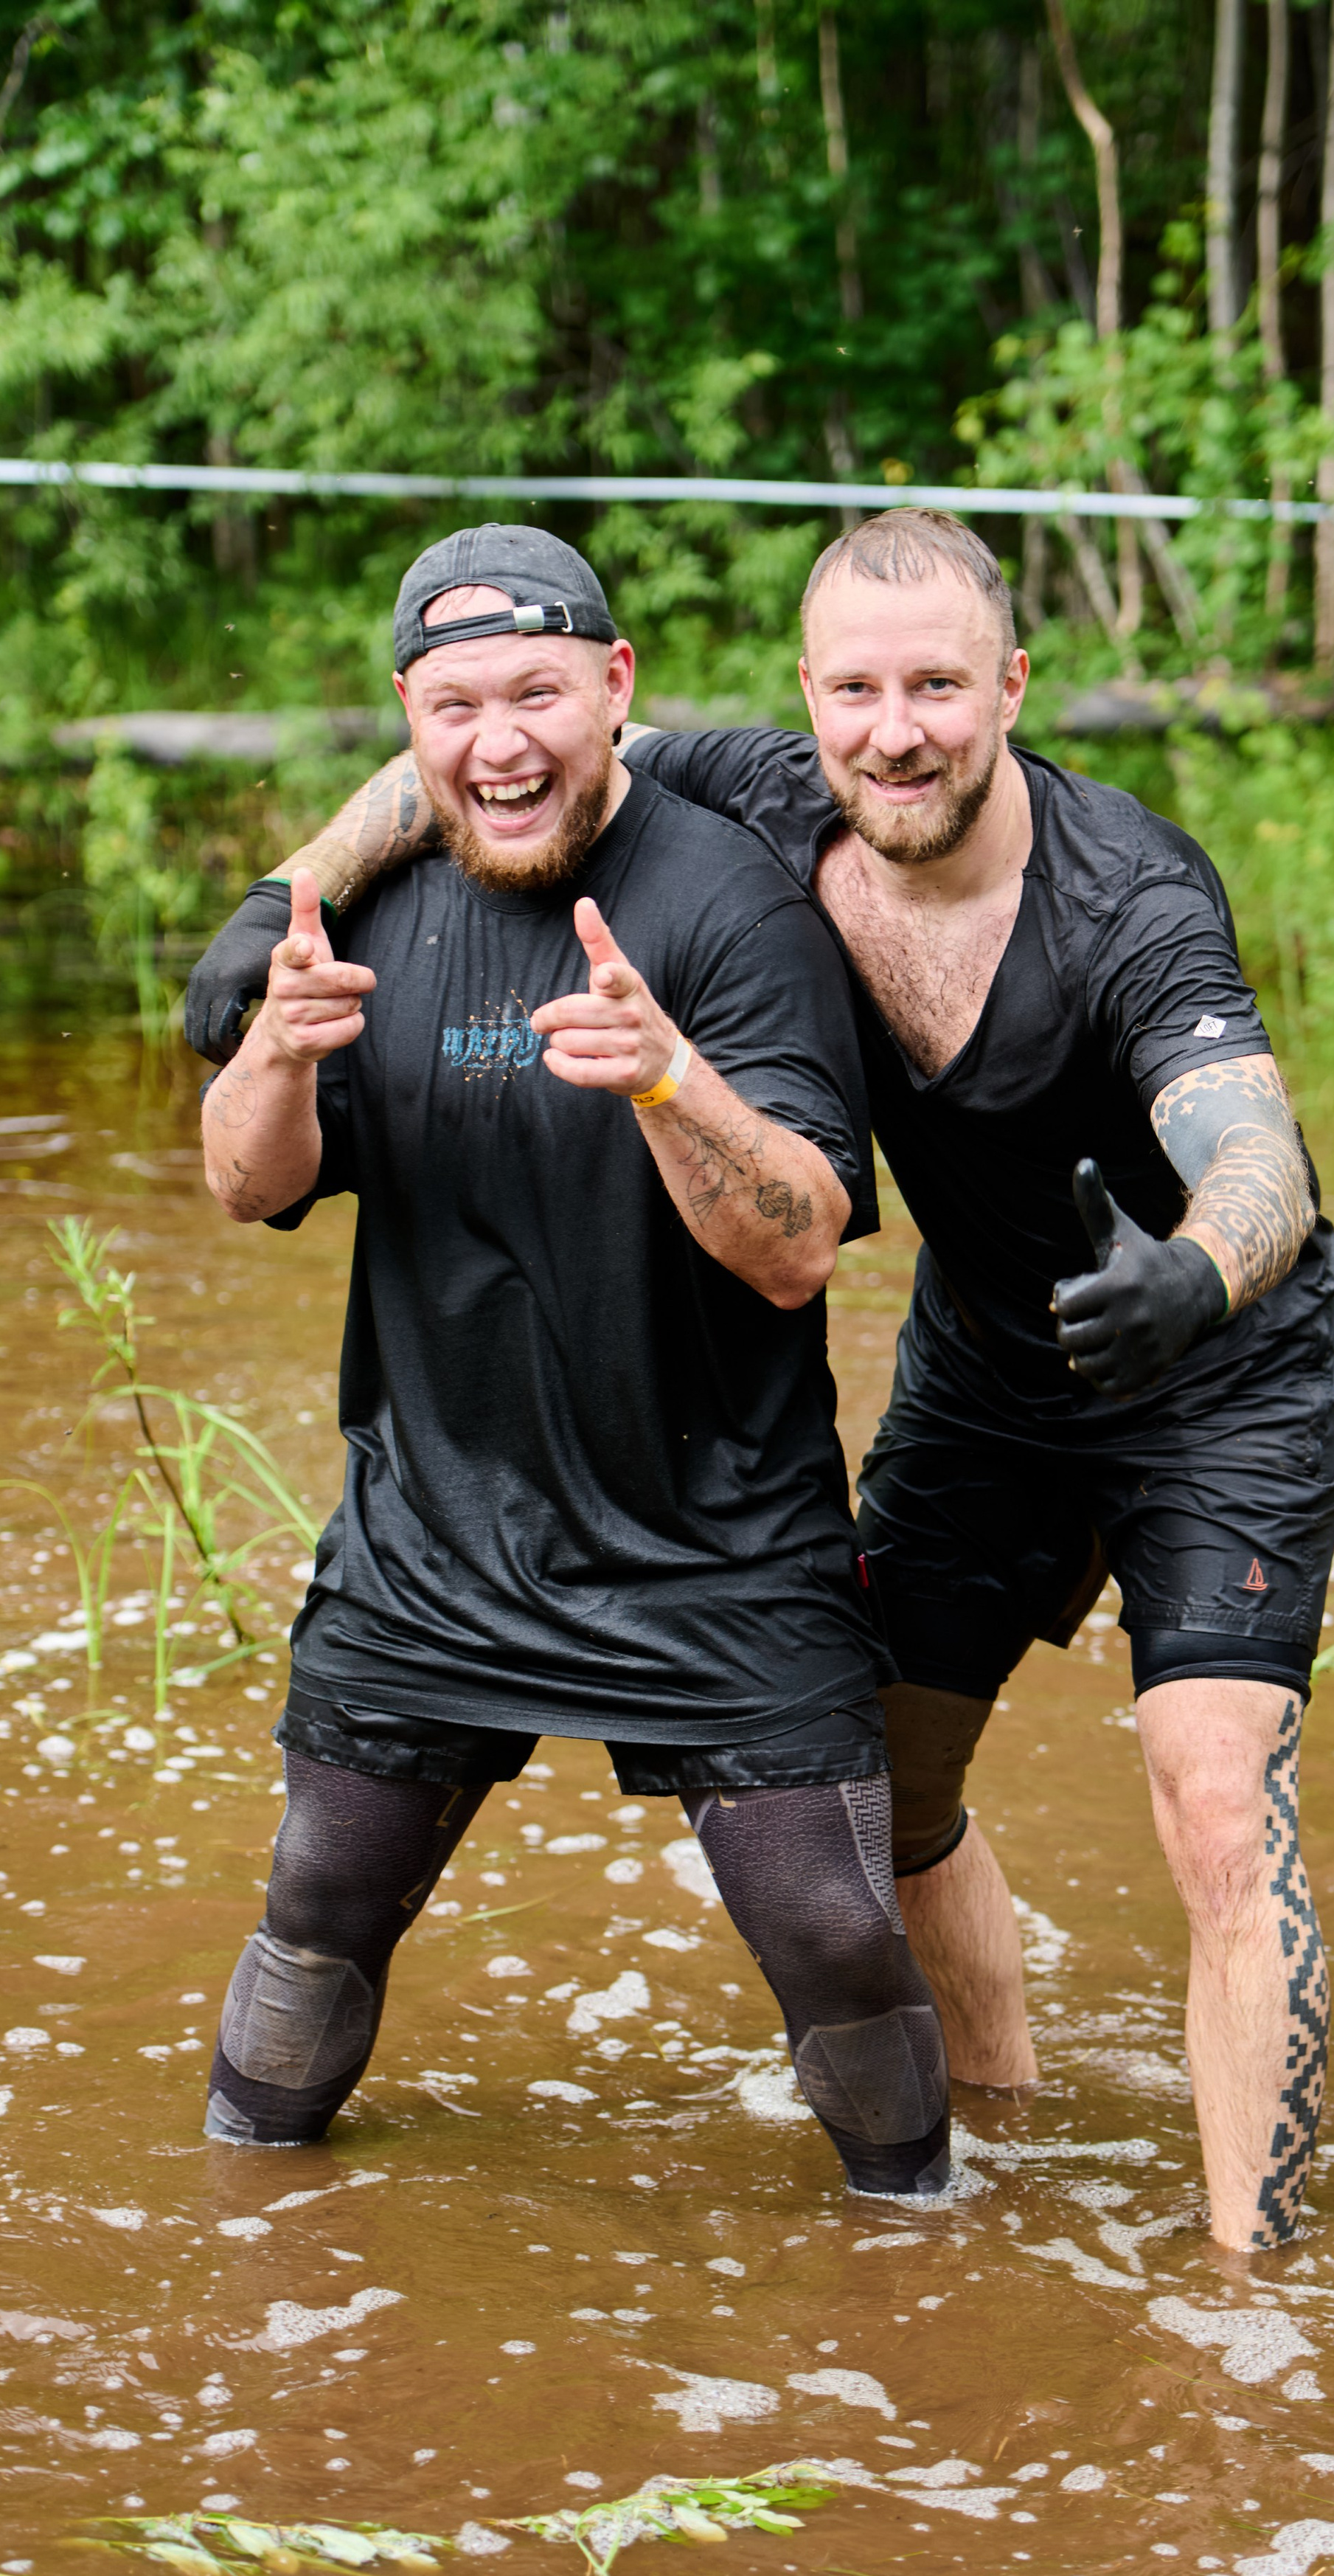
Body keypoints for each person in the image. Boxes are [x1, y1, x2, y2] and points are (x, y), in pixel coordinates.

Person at [188, 509, 1334, 2258]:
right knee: (903, 1788)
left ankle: (1250, 2293)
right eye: (858, 690)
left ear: (1010, 689)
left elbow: (1251, 1145)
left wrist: (1193, 1270)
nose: (895, 730)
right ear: (806, 699)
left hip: (1209, 1355)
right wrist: (277, 904)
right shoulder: (776, 785)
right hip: (986, 1351)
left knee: (1204, 1788)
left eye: (939, 687)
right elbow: (485, 752)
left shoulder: (1129, 898)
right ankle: (997, 2153)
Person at [193, 522, 954, 2202]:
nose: (500, 741)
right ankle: (240, 2236)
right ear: (408, 718)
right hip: (433, 1540)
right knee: (316, 1918)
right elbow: (249, 1184)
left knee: (835, 1936)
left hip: (713, 1541)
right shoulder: (365, 909)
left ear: (615, 687)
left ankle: (926, 2258)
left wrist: (671, 1086)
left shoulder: (734, 906)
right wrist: (271, 1049)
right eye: (456, 704)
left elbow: (800, 1242)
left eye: (537, 691)